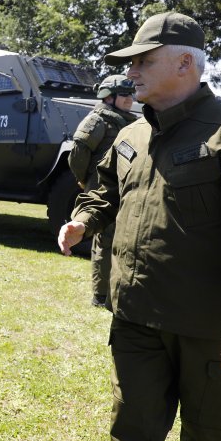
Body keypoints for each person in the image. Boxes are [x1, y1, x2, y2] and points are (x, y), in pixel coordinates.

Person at [57, 11, 221, 441]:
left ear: (185, 63)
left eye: (144, 61)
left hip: (208, 329)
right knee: (131, 438)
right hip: (135, 318)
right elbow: (104, 190)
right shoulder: (131, 134)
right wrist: (84, 220)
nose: (131, 72)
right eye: (131, 63)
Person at [68, 74, 138, 309]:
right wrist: (84, 180)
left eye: (131, 94)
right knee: (104, 240)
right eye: (124, 94)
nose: (130, 99)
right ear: (108, 97)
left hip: (124, 188)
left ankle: (117, 288)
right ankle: (100, 294)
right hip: (102, 188)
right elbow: (77, 154)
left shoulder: (127, 122)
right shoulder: (97, 120)